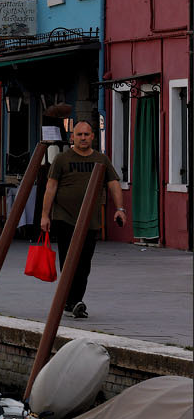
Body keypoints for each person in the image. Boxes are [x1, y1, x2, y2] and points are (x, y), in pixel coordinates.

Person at [39, 120, 126, 320]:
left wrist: (120, 209)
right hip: (64, 217)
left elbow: (113, 184)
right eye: (79, 135)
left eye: (87, 134)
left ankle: (74, 301)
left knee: (84, 263)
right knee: (69, 261)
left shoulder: (101, 160)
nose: (83, 138)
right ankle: (72, 301)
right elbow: (50, 187)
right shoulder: (62, 159)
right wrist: (45, 215)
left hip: (90, 220)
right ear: (72, 137)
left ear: (93, 136)